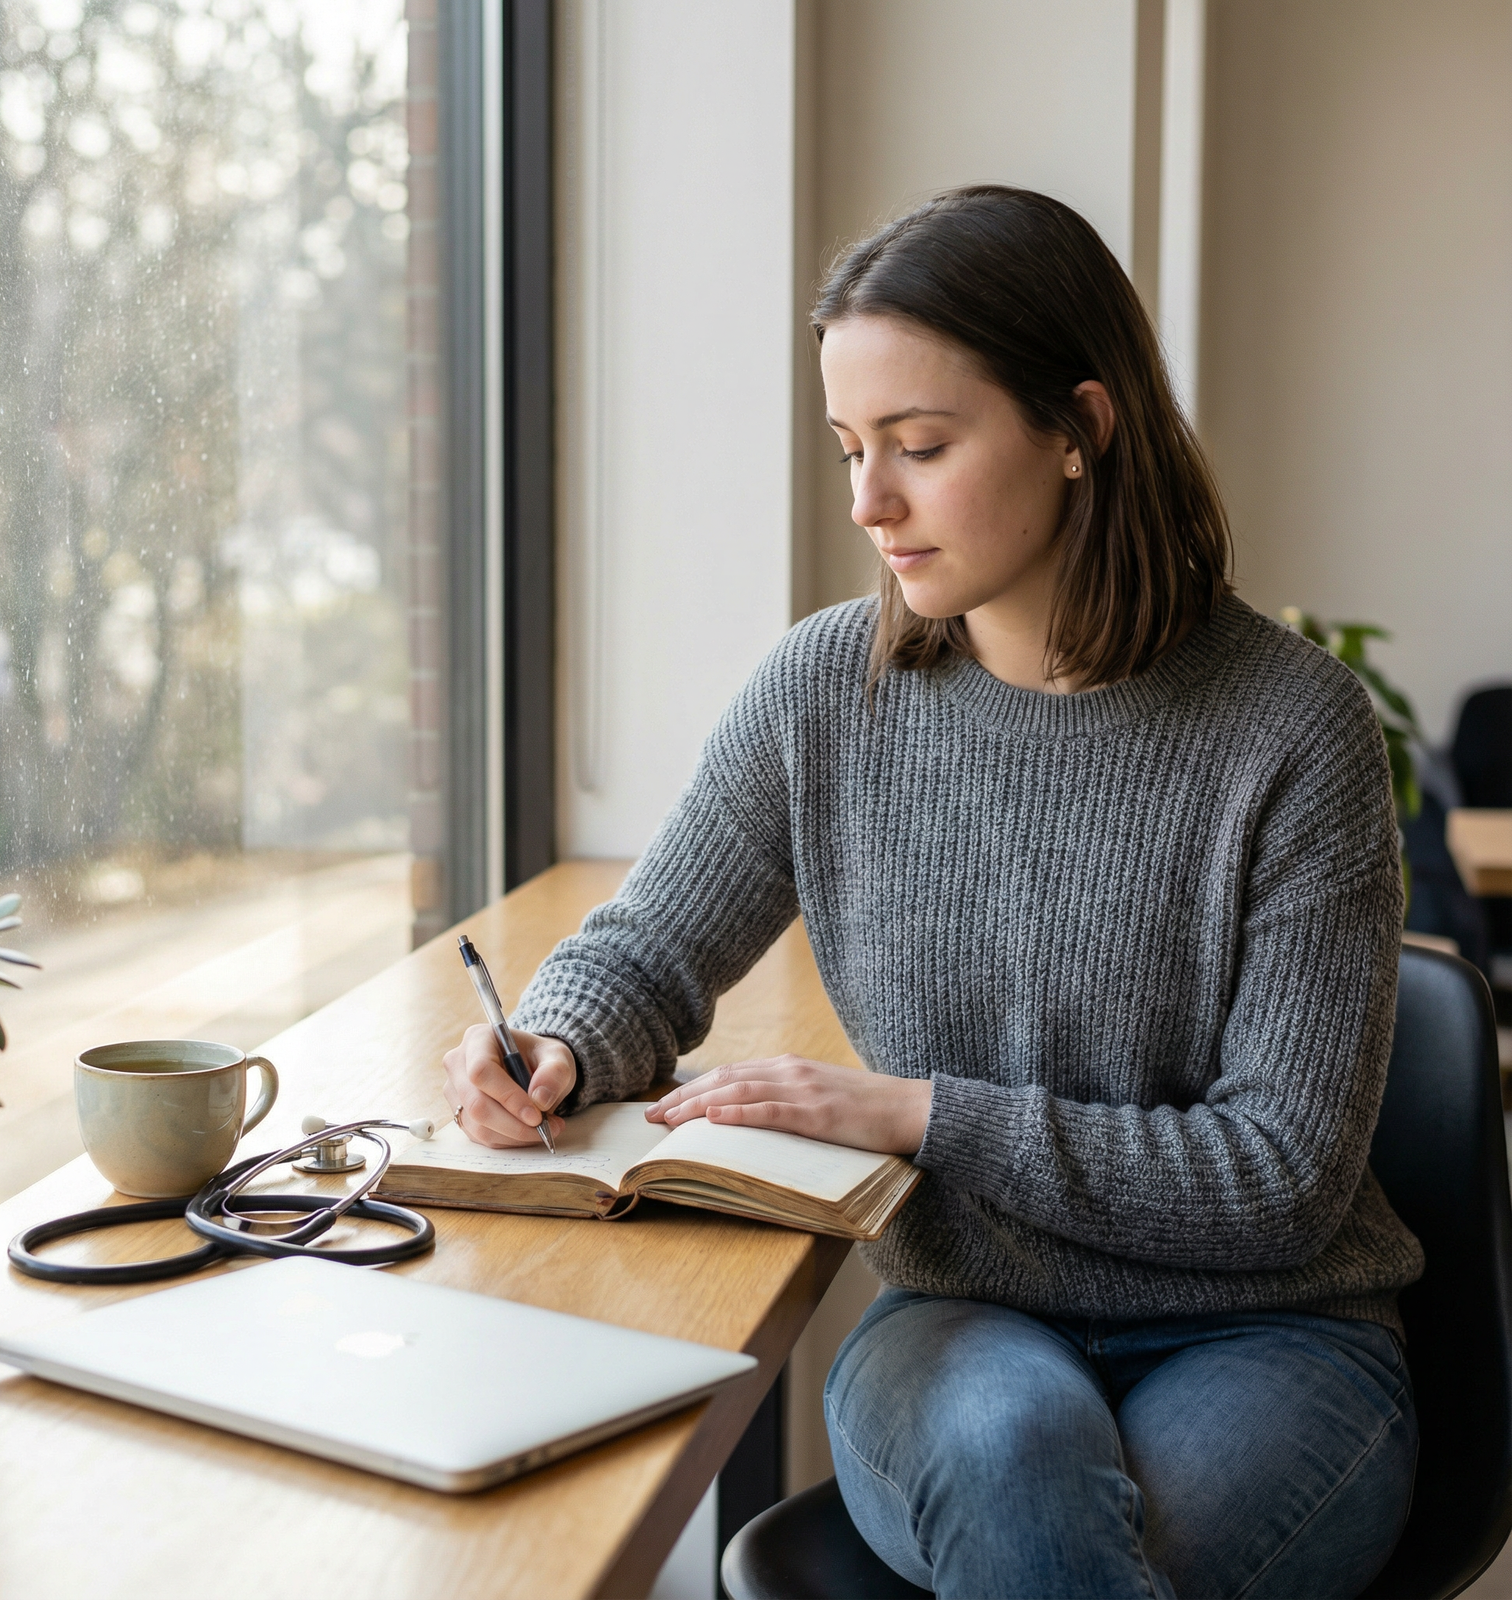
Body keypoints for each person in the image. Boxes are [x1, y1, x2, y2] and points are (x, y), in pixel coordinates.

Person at [443, 186, 1423, 1599]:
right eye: (850, 447)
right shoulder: (827, 691)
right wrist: (560, 1040)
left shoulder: (1293, 731)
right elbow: (655, 942)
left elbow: (1279, 1181)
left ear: (1080, 429)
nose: (867, 502)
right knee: (1015, 1464)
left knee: (1091, 1553)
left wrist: (919, 1116)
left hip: (1270, 1335)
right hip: (964, 1319)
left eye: (920, 445)